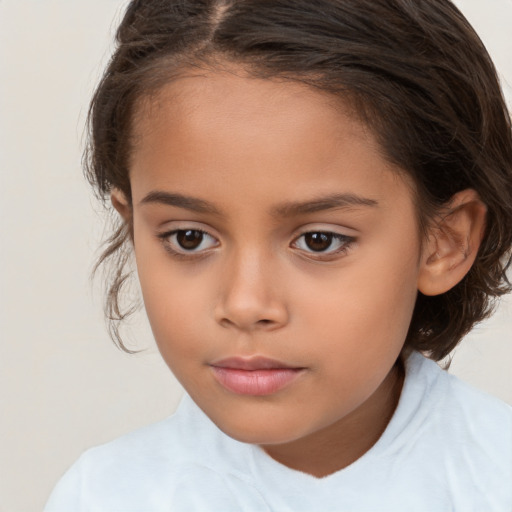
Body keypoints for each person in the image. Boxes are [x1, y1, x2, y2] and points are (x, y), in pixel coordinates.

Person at [45, 0, 512, 510]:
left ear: (444, 241)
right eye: (189, 238)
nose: (246, 304)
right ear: (132, 224)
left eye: (319, 240)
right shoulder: (103, 496)